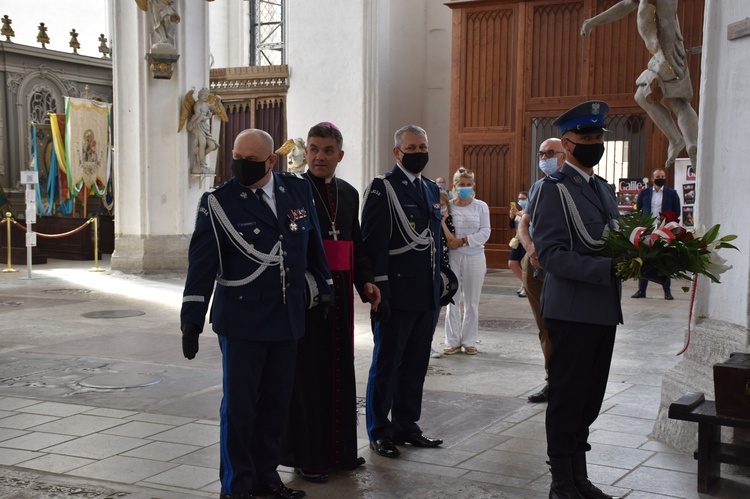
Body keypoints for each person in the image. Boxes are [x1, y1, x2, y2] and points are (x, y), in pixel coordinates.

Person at [180, 128, 333, 499]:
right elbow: (201, 263)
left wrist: (323, 289)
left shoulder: (296, 190)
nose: (239, 166)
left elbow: (311, 246)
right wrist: (191, 319)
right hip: (242, 320)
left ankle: (266, 477)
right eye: (236, 157)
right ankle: (237, 486)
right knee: (239, 409)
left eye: (249, 160)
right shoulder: (217, 201)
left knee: (275, 405)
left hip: (286, 318)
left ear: (270, 160)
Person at [530, 101, 622, 499]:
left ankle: (580, 477)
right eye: (586, 138)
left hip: (603, 311)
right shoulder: (553, 191)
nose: (595, 143)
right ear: (567, 145)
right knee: (567, 399)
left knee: (590, 399)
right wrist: (605, 271)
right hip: (571, 310)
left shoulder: (602, 188)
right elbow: (549, 254)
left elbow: (611, 241)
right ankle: (561, 482)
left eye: (598, 136)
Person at [281, 122, 380, 482]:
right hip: (307, 296)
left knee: (339, 371)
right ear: (305, 153)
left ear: (340, 154)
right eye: (313, 149)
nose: (319, 156)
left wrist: (365, 281)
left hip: (340, 297)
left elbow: (354, 244)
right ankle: (309, 456)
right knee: (309, 376)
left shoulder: (349, 193)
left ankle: (340, 452)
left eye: (326, 150)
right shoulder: (291, 190)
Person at [361, 124, 443, 459]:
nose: (419, 153)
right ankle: (380, 430)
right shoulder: (383, 188)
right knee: (387, 363)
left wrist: (443, 279)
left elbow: (435, 240)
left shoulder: (430, 190)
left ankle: (407, 424)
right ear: (397, 152)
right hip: (396, 292)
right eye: (411, 148)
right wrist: (380, 290)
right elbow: (372, 243)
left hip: (426, 292)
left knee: (416, 363)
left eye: (423, 146)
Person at [581, 0, 698, 169]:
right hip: (675, 51)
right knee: (678, 102)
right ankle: (690, 142)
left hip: (663, 54)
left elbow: (625, 6)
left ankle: (677, 139)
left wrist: (592, 22)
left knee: (643, 96)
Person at [517, 138, 566, 403]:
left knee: (564, 326)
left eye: (550, 153)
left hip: (561, 265)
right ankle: (552, 381)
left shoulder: (575, 185)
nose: (544, 158)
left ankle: (568, 379)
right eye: (541, 153)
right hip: (534, 263)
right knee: (544, 326)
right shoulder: (539, 186)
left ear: (564, 154)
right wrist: (530, 249)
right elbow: (524, 223)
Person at [443, 167, 491, 355]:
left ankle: (470, 340)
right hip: (454, 256)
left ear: (473, 186)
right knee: (452, 299)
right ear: (454, 186)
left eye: (468, 184)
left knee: (472, 301)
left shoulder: (481, 206)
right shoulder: (450, 206)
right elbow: (444, 225)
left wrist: (463, 241)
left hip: (475, 256)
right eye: (461, 184)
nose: (464, 187)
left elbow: (485, 231)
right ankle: (452, 340)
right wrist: (452, 242)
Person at [631, 168, 681, 300]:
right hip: (647, 230)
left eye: (663, 176)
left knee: (664, 260)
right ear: (652, 179)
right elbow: (639, 209)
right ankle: (641, 290)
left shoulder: (672, 193)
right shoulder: (645, 193)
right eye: (658, 176)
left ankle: (667, 291)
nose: (661, 178)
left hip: (664, 231)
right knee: (644, 258)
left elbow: (677, 211)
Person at [430, 189, 455, 359]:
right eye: (437, 205)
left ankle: (428, 342)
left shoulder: (448, 221)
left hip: (442, 267)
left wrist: (443, 222)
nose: (440, 208)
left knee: (437, 308)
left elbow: (451, 240)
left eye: (443, 205)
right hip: (427, 267)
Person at [187, 88, 222, 172]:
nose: (206, 97)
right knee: (202, 144)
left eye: (207, 95)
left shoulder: (206, 105)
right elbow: (199, 117)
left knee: (212, 146)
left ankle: (200, 159)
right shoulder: (197, 105)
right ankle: (200, 164)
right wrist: (208, 117)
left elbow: (214, 107)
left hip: (205, 127)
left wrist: (218, 100)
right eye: (205, 95)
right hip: (198, 126)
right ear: (200, 95)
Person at [508, 191, 528, 297]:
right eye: (519, 199)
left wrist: (519, 214)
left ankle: (527, 286)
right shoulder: (518, 213)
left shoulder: (529, 212)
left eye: (523, 199)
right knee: (512, 263)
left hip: (527, 241)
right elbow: (512, 226)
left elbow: (530, 223)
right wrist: (512, 217)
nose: (521, 201)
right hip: (517, 241)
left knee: (526, 265)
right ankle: (525, 283)